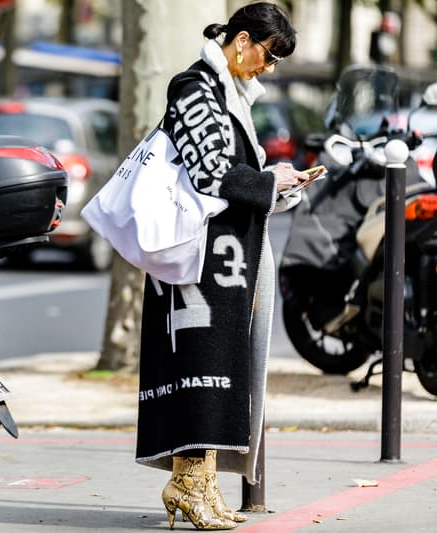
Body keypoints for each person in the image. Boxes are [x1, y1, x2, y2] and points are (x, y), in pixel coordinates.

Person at [134, 3, 307, 530]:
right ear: (241, 40)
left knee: (224, 373)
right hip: (196, 260)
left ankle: (202, 483)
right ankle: (185, 485)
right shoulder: (193, 87)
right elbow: (210, 172)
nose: (269, 68)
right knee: (198, 370)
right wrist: (267, 183)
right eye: (269, 54)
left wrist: (276, 181)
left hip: (227, 259)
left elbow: (231, 170)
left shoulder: (230, 93)